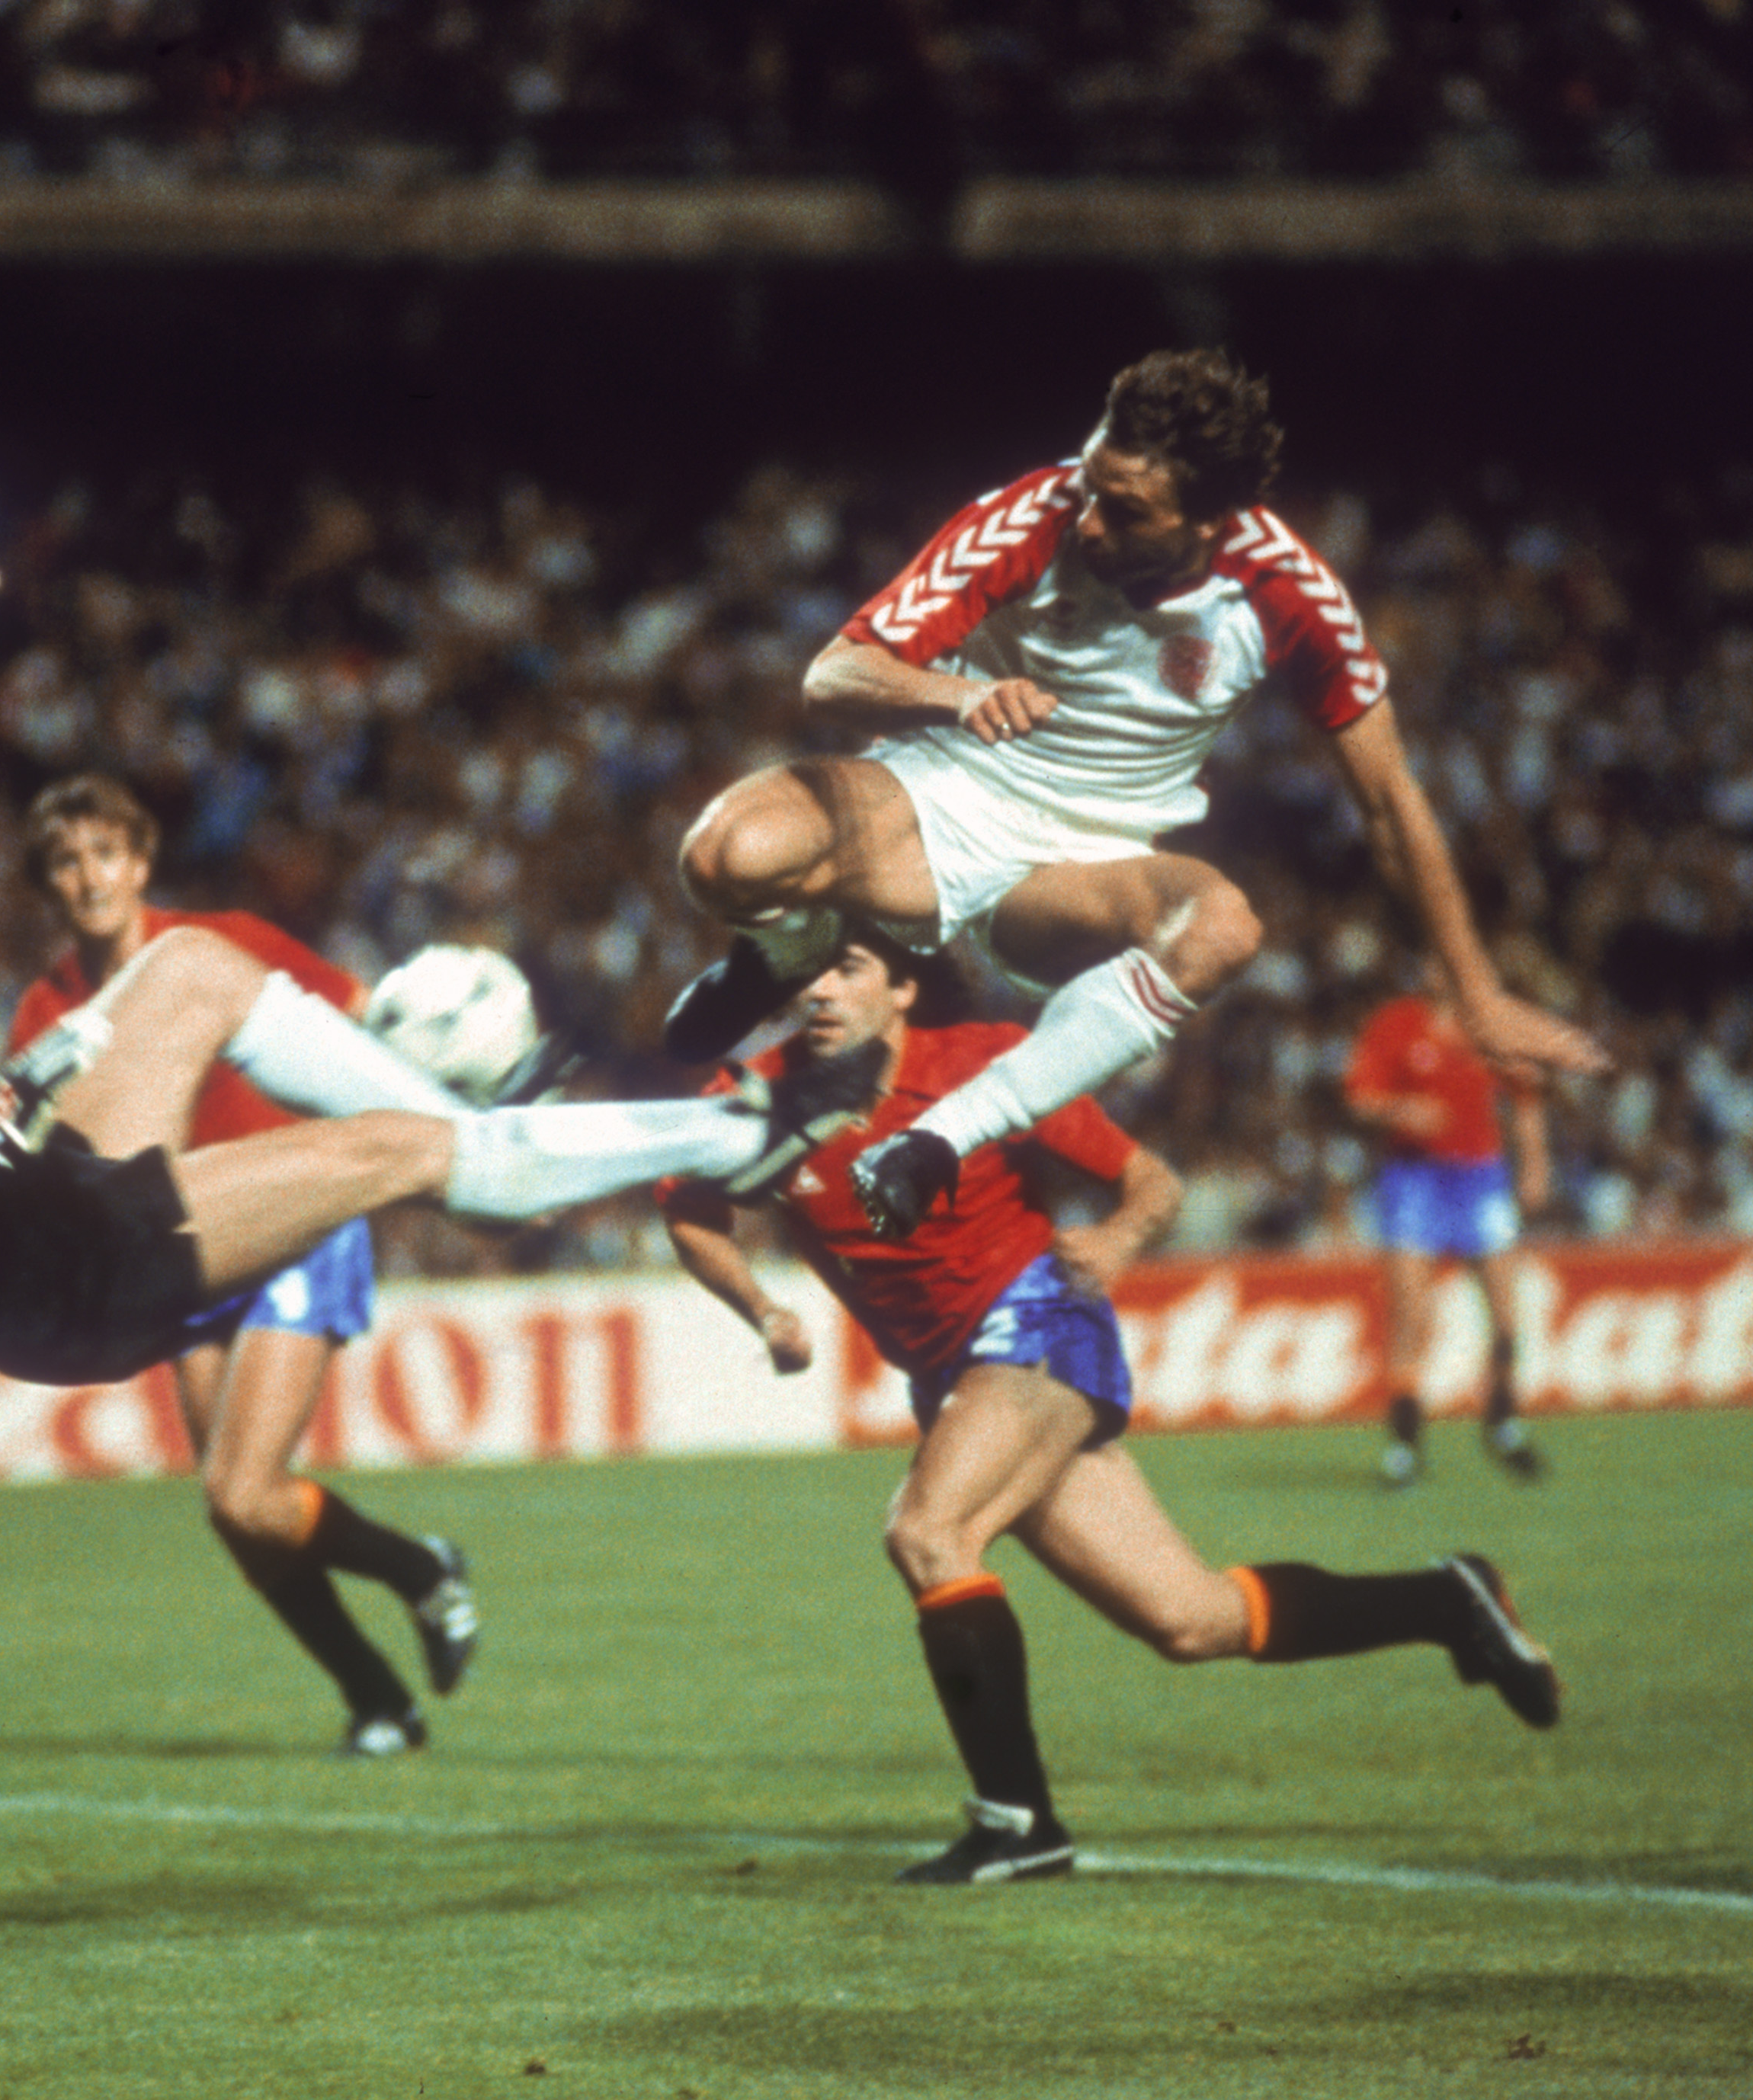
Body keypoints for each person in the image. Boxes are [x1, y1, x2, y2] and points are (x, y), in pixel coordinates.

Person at [0, 461, 870, 1452]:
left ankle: (490, 1129)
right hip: (43, 1282)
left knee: (186, 970)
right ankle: (721, 1134)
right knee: (403, 1158)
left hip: (31, 1203)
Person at [659, 931, 1561, 1886]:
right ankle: (1448, 1599)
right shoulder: (752, 1096)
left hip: (1040, 1321)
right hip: (953, 1376)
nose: (821, 990)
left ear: (904, 987)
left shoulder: (985, 1064)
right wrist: (761, 1308)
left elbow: (1150, 1181)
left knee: (929, 1531)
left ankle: (1017, 1820)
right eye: (808, 972)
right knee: (1190, 1618)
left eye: (848, 967)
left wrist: (1123, 1235)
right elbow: (688, 1211)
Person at [666, 347, 1609, 1237]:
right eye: (1092, 484)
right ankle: (791, 947)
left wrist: (1476, 994)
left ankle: (936, 1143)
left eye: (1125, 511)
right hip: (941, 791)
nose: (1090, 521)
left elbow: (1390, 803)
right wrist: (958, 694)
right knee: (721, 856)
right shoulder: (1035, 513)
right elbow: (836, 673)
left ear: (1207, 523)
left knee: (1224, 927)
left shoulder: (1288, 593)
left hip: (1090, 860)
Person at [9, 773, 474, 1759]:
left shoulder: (215, 943)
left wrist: (451, 1098)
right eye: (64, 861)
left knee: (242, 1490)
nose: (87, 876)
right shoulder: (46, 1008)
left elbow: (360, 1015)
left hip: (290, 1219)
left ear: (139, 862)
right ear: (45, 885)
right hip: (178, 1248)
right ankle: (381, 1685)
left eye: (104, 853)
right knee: (241, 1517)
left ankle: (414, 1580)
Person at [1344, 975, 1554, 1487]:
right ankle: (1404, 1448)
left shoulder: (1493, 1023)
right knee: (1411, 1318)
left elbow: (1525, 1098)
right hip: (1414, 1178)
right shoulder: (1397, 1023)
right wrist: (1400, 1109)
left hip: (1480, 1178)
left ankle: (1502, 1422)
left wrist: (1534, 1165)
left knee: (1506, 1318)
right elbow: (1359, 1098)